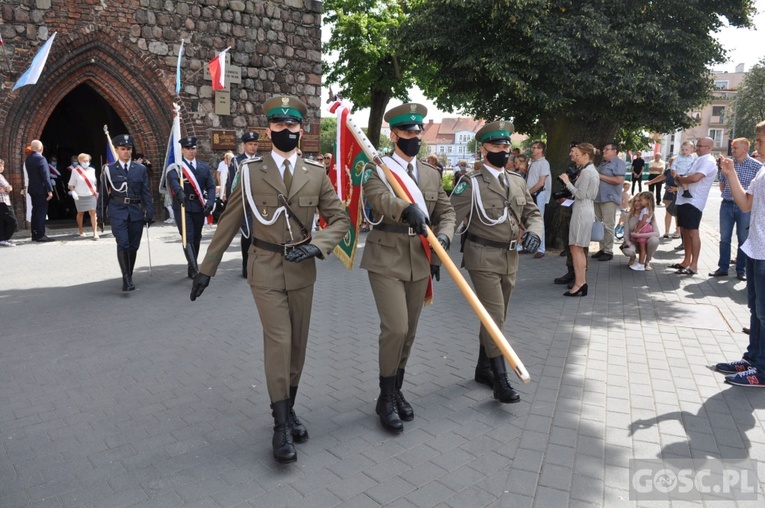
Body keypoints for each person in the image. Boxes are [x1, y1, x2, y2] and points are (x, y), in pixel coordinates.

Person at [190, 96, 350, 463]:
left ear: (301, 129)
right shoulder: (249, 171)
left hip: (302, 269)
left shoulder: (316, 173)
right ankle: (280, 426)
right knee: (279, 341)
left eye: (293, 126)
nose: (286, 131)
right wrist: (207, 268)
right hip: (264, 267)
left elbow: (340, 219)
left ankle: (289, 408)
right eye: (279, 125)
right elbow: (229, 221)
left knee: (297, 348)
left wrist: (318, 247)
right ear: (269, 130)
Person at [360, 102, 455, 433]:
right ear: (394, 134)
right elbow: (380, 200)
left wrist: (443, 236)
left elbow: (446, 211)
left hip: (419, 257)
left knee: (410, 332)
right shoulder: (378, 169)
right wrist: (406, 209)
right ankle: (385, 397)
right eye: (407, 132)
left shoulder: (430, 173)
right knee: (396, 328)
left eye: (418, 131)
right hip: (386, 255)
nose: (414, 136)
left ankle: (395, 389)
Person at [451, 121, 542, 404]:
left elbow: (532, 212)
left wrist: (536, 233)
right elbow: (450, 217)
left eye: (506, 146)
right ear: (483, 149)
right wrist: (435, 251)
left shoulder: (516, 180)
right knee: (495, 316)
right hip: (482, 256)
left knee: (495, 317)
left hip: (509, 257)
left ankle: (483, 368)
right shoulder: (471, 183)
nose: (502, 151)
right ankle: (501, 381)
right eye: (496, 146)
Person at [714, 121, 765, 387]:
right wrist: (730, 172)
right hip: (756, 248)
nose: (756, 147)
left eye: (759, 141)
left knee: (764, 312)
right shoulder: (762, 173)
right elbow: (745, 203)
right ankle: (753, 359)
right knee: (756, 310)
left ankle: (763, 370)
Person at [101, 134, 154, 291]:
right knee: (123, 243)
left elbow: (145, 192)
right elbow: (103, 193)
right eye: (123, 149)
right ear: (117, 150)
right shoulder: (109, 170)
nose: (126, 152)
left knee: (133, 246)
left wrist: (149, 212)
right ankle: (126, 278)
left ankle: (129, 273)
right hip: (117, 211)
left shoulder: (140, 169)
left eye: (128, 149)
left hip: (135, 211)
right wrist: (100, 214)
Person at [709, 137, 761, 281]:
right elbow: (722, 185)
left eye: (735, 148)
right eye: (732, 148)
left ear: (745, 148)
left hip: (744, 207)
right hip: (726, 204)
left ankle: (740, 270)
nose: (733, 150)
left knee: (743, 239)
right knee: (724, 238)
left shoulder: (756, 166)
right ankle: (723, 268)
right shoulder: (729, 164)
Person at [166, 136, 216, 279]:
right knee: (187, 237)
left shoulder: (203, 167)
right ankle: (195, 269)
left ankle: (191, 266)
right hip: (183, 206)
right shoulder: (176, 167)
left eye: (193, 148)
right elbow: (173, 180)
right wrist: (179, 191)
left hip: (199, 207)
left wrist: (210, 202)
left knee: (196, 238)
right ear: (182, 150)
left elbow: (211, 186)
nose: (191, 151)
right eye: (188, 148)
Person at [558, 143, 600, 296]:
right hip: (586, 209)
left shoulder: (587, 172)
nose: (573, 156)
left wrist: (567, 182)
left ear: (585, 155)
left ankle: (579, 283)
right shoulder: (591, 171)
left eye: (576, 154)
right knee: (578, 249)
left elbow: (580, 195)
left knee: (576, 248)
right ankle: (581, 282)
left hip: (582, 210)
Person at [672, 137, 717, 275]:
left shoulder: (709, 161)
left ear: (709, 148)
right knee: (685, 232)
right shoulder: (697, 159)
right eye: (697, 145)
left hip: (694, 201)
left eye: (700, 146)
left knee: (692, 232)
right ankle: (686, 261)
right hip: (684, 200)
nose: (697, 148)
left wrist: (680, 179)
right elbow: (688, 176)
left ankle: (694, 265)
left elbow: (695, 178)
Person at [229, 132, 261, 278]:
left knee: (259, 234)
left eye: (255, 144)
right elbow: (232, 183)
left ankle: (257, 265)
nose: (253, 147)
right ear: (244, 145)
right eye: (250, 144)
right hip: (243, 202)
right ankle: (246, 264)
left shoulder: (262, 161)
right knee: (247, 233)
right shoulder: (237, 161)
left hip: (259, 203)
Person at [591, 142, 626, 262]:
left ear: (614, 151)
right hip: (598, 198)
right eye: (604, 149)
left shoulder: (619, 163)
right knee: (599, 225)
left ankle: (608, 250)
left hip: (609, 199)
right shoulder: (602, 163)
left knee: (608, 225)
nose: (604, 151)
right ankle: (602, 248)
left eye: (607, 149)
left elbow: (618, 180)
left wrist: (599, 176)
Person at [620, 196, 660, 270]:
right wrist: (628, 242)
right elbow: (626, 234)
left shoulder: (649, 214)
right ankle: (633, 257)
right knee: (628, 251)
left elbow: (657, 233)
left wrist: (639, 235)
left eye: (639, 201)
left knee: (654, 240)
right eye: (635, 201)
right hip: (633, 240)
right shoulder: (628, 215)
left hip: (645, 240)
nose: (636, 203)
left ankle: (647, 261)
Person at [26, 140, 54, 242]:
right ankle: (41, 234)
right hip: (41, 190)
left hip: (33, 189)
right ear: (41, 148)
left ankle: (34, 234)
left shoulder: (28, 159)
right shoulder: (40, 159)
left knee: (35, 212)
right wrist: (50, 190)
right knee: (41, 212)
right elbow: (45, 176)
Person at [526, 141, 551, 258]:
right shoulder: (533, 163)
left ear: (541, 150)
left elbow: (541, 183)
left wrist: (528, 193)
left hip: (538, 194)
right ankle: (529, 244)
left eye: (536, 148)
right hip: (531, 193)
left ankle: (541, 248)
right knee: (529, 219)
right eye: (532, 147)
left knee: (539, 220)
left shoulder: (544, 163)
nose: (533, 150)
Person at [67, 153, 99, 239]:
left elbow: (94, 182)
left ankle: (95, 232)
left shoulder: (92, 170)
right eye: (84, 161)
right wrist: (73, 192)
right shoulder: (75, 171)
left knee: (93, 212)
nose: (86, 162)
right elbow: (71, 184)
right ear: (80, 161)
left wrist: (95, 191)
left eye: (87, 161)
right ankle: (81, 230)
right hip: (80, 195)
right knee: (80, 213)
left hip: (91, 194)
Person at [627, 192, 655, 271]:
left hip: (643, 229)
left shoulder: (646, 210)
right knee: (642, 248)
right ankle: (640, 262)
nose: (640, 202)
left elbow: (643, 221)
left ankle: (641, 264)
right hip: (644, 228)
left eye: (641, 200)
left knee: (642, 248)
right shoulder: (648, 209)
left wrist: (637, 229)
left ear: (647, 201)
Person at [0, 159, 18, 247]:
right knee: (13, 222)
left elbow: (8, 188)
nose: (2, 168)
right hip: (3, 202)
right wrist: (8, 188)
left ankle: (3, 239)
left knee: (2, 222)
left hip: (3, 201)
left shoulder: (1, 176)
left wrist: (7, 188)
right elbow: (9, 188)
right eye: (1, 166)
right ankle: (5, 238)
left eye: (2, 166)